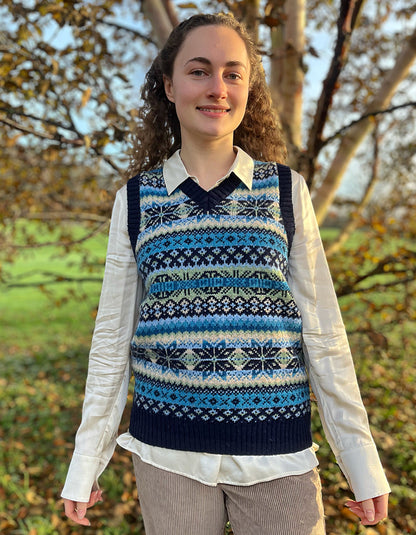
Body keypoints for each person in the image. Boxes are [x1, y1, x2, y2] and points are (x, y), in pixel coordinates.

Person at [62, 13, 390, 534]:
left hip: (277, 453)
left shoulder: (285, 192)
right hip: (167, 455)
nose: (217, 88)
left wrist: (360, 461)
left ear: (248, 88)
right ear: (169, 84)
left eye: (233, 73)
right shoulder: (136, 201)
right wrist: (86, 463)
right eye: (199, 70)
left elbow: (324, 333)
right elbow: (111, 339)